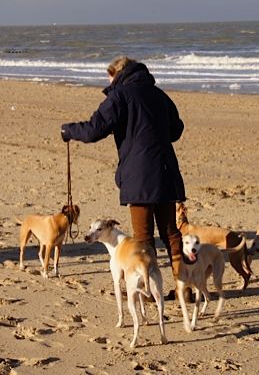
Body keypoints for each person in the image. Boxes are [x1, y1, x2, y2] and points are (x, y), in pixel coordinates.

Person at [60, 56, 185, 281]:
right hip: (165, 169)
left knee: (143, 236)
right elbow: (176, 130)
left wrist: (69, 131)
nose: (109, 83)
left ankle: (148, 289)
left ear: (118, 74)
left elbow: (94, 130)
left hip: (140, 174)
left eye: (110, 77)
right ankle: (183, 285)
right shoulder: (160, 95)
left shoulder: (120, 95)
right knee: (171, 233)